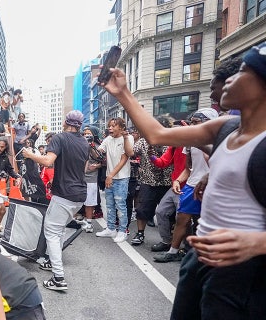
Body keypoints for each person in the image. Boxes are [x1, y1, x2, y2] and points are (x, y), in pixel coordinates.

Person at [100, 42, 266, 319]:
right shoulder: (224, 127)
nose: (230, 79)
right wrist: (123, 93)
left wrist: (257, 243)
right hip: (199, 259)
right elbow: (157, 135)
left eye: (244, 71)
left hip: (245, 273)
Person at [22, 110, 89, 291]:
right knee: (58, 231)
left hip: (64, 194)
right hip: (80, 195)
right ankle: (52, 262)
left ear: (65, 122)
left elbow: (47, 161)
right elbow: (85, 168)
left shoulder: (60, 138)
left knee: (51, 232)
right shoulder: (84, 142)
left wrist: (29, 155)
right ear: (80, 125)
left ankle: (58, 278)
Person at [153, 109, 218, 263]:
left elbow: (218, 165)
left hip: (211, 187)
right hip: (190, 185)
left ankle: (202, 256)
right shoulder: (189, 143)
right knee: (182, 219)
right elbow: (189, 168)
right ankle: (173, 251)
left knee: (203, 222)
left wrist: (203, 146)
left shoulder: (219, 141)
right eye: (192, 122)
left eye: (197, 122)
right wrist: (177, 180)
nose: (193, 126)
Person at [129, 118, 173, 246]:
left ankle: (169, 237)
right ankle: (140, 233)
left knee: (170, 212)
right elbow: (131, 152)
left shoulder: (172, 141)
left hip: (168, 182)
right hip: (148, 181)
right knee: (142, 210)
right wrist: (127, 138)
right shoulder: (143, 141)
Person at [95, 117, 134, 243]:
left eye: (113, 126)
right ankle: (111, 228)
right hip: (109, 177)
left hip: (121, 177)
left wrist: (110, 175)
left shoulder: (127, 138)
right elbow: (98, 153)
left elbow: (127, 156)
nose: (110, 128)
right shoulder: (108, 139)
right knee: (110, 204)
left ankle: (123, 231)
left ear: (121, 127)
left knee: (120, 205)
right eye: (109, 126)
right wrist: (91, 146)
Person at [80, 126, 103, 233]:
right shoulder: (79, 145)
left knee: (90, 201)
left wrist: (91, 146)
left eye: (88, 133)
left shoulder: (98, 146)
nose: (86, 135)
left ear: (94, 135)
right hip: (78, 177)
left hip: (91, 178)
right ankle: (77, 219)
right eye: (84, 133)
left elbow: (101, 160)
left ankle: (89, 223)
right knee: (77, 199)